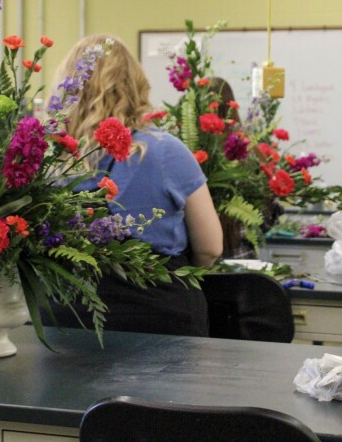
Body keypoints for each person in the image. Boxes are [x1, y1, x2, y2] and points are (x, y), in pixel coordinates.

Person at [46, 34, 223, 336]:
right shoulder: (166, 150)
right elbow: (210, 248)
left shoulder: (51, 159)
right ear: (135, 84)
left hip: (69, 316)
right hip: (160, 318)